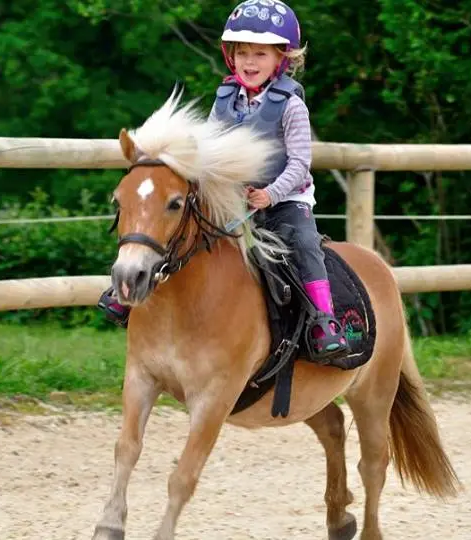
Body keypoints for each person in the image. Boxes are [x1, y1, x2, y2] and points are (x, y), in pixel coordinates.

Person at [98, 0, 348, 361]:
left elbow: (300, 164)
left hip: (285, 198)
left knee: (304, 244)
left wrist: (271, 194)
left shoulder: (292, 106)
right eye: (242, 52)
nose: (249, 62)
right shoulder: (225, 97)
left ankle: (324, 320)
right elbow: (211, 150)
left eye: (260, 54)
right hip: (231, 198)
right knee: (173, 229)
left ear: (282, 58)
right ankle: (129, 294)